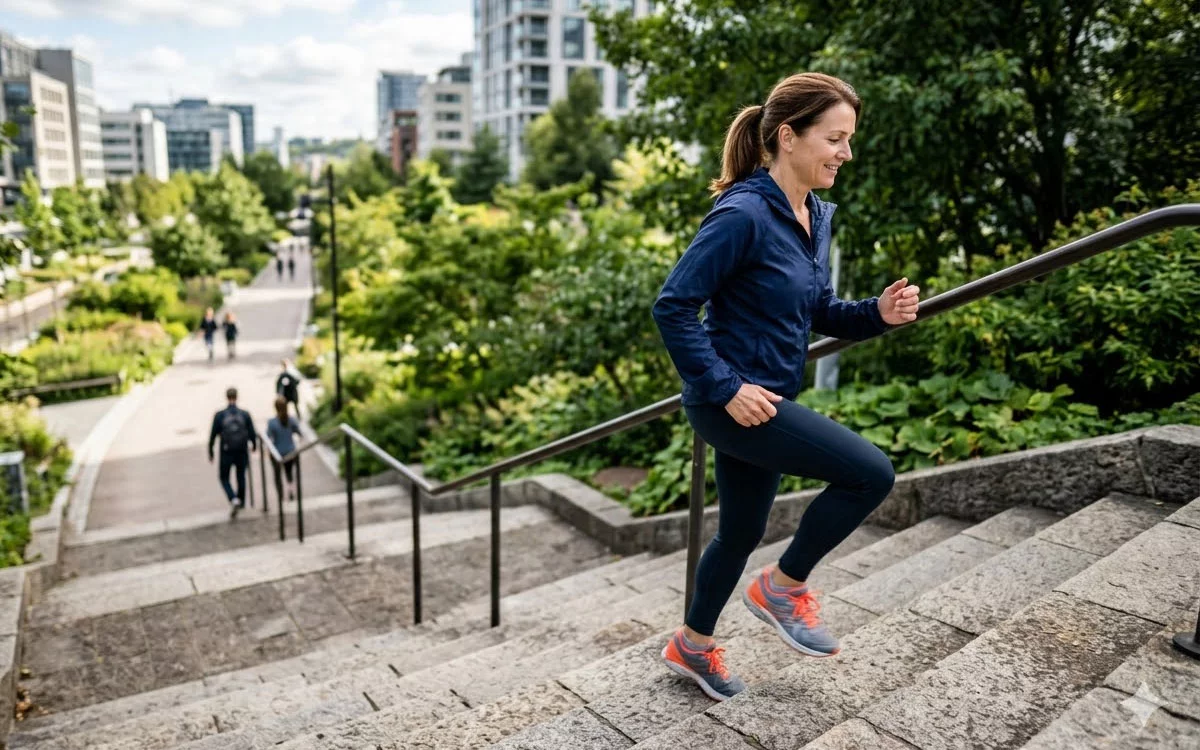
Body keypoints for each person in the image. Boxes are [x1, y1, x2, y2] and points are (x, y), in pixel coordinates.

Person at [653, 72, 921, 701]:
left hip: (768, 398)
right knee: (870, 474)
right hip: (731, 403)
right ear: (788, 136)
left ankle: (691, 645)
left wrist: (876, 315)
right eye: (834, 138)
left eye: (849, 140)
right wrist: (726, 388)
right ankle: (784, 586)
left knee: (740, 532)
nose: (845, 153)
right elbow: (673, 306)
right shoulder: (743, 214)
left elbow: (816, 308)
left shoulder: (813, 214)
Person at [208, 387, 259, 518]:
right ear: (237, 397)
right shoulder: (244, 414)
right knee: (241, 476)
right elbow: (252, 432)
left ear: (227, 397)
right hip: (241, 450)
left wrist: (211, 451)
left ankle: (233, 498)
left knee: (224, 477)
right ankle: (241, 502)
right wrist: (254, 445)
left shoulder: (220, 415)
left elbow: (213, 435)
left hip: (226, 451)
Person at [266, 395, 302, 502]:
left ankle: (281, 496)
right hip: (290, 451)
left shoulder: (272, 422)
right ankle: (291, 491)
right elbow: (299, 433)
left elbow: (268, 438)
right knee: (289, 473)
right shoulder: (291, 420)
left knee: (277, 476)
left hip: (277, 453)